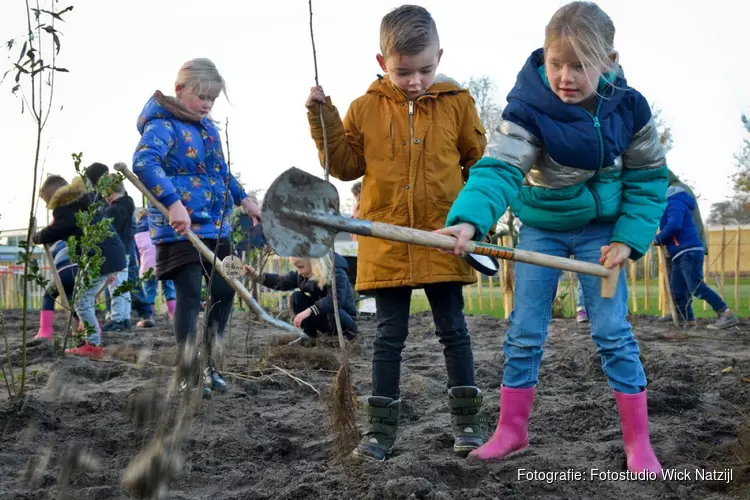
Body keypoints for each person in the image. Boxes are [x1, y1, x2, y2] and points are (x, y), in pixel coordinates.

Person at [437, 1, 667, 476]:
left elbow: (647, 180)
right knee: (524, 331)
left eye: (579, 65)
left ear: (610, 61)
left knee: (611, 332)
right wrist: (469, 221)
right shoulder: (529, 109)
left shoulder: (630, 110)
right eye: (556, 62)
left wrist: (627, 240)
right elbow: (500, 168)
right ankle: (512, 431)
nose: (564, 75)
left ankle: (638, 444)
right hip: (541, 229)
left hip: (604, 235)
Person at [305, 4, 488, 461]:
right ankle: (379, 432)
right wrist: (321, 117)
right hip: (386, 241)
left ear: (439, 56)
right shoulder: (364, 108)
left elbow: (480, 163)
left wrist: (471, 215)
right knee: (389, 336)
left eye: (425, 69)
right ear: (382, 62)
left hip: (445, 240)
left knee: (454, 330)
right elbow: (344, 165)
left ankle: (467, 424)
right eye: (403, 71)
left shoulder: (458, 103)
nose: (415, 80)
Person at [132, 57, 263, 397]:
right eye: (201, 96)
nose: (206, 104)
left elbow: (221, 172)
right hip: (180, 228)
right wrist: (174, 203)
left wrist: (245, 200)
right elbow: (144, 163)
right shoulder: (161, 125)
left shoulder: (210, 130)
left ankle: (211, 365)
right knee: (189, 295)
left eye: (212, 99)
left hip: (217, 226)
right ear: (180, 89)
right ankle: (188, 370)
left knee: (225, 288)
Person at [32, 174, 127, 357]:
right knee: (84, 298)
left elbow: (55, 230)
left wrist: (38, 237)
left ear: (54, 196)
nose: (47, 205)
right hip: (112, 255)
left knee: (82, 301)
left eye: (46, 201)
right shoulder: (85, 200)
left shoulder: (66, 210)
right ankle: (89, 335)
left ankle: (93, 345)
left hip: (100, 257)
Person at [653, 186, 739, 329]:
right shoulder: (670, 205)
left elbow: (675, 225)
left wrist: (659, 238)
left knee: (696, 287)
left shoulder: (675, 202)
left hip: (688, 250)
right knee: (678, 290)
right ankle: (688, 320)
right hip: (678, 253)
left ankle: (726, 314)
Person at [243, 254, 359, 340]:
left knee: (333, 310)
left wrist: (308, 311)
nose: (298, 272)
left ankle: (352, 338)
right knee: (296, 297)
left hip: (343, 320)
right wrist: (257, 276)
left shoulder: (337, 273)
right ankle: (309, 336)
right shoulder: (303, 275)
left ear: (314, 262)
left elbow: (335, 300)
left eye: (301, 266)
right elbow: (282, 281)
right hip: (323, 320)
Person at [100, 173, 136, 332]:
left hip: (116, 252)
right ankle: (125, 317)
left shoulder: (113, 211)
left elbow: (107, 232)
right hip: (126, 250)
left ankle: (117, 320)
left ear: (109, 192)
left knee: (115, 285)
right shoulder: (127, 205)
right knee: (122, 284)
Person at [134, 208, 176, 328]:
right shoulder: (160, 229)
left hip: (147, 266)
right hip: (166, 263)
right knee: (169, 289)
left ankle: (149, 317)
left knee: (149, 291)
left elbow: (136, 255)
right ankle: (174, 314)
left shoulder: (137, 235)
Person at [33, 239, 78, 341]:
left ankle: (45, 331)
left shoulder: (55, 246)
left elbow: (55, 267)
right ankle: (88, 327)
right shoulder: (76, 238)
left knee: (49, 296)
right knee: (75, 298)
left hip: (64, 271)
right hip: (81, 269)